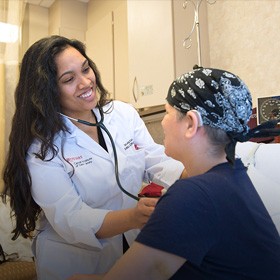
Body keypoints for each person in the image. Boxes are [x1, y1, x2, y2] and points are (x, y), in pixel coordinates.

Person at [69, 67, 280, 280]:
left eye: (167, 112)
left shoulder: (191, 196)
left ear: (191, 123)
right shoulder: (235, 174)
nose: (162, 122)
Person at [2, 35, 186, 280]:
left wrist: (200, 172)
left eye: (86, 68)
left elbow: (157, 162)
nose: (85, 82)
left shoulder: (122, 114)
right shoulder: (42, 148)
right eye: (69, 79)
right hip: (74, 261)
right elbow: (72, 218)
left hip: (127, 246)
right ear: (47, 91)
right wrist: (133, 217)